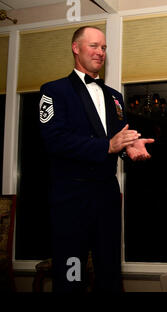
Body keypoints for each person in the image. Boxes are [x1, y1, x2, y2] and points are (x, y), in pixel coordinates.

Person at [39, 26, 154, 292]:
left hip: (107, 195)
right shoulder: (54, 91)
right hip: (71, 197)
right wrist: (107, 146)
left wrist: (130, 147)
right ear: (75, 48)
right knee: (71, 273)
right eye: (93, 46)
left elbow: (117, 139)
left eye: (103, 47)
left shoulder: (115, 96)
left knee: (110, 269)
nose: (100, 52)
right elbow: (54, 141)